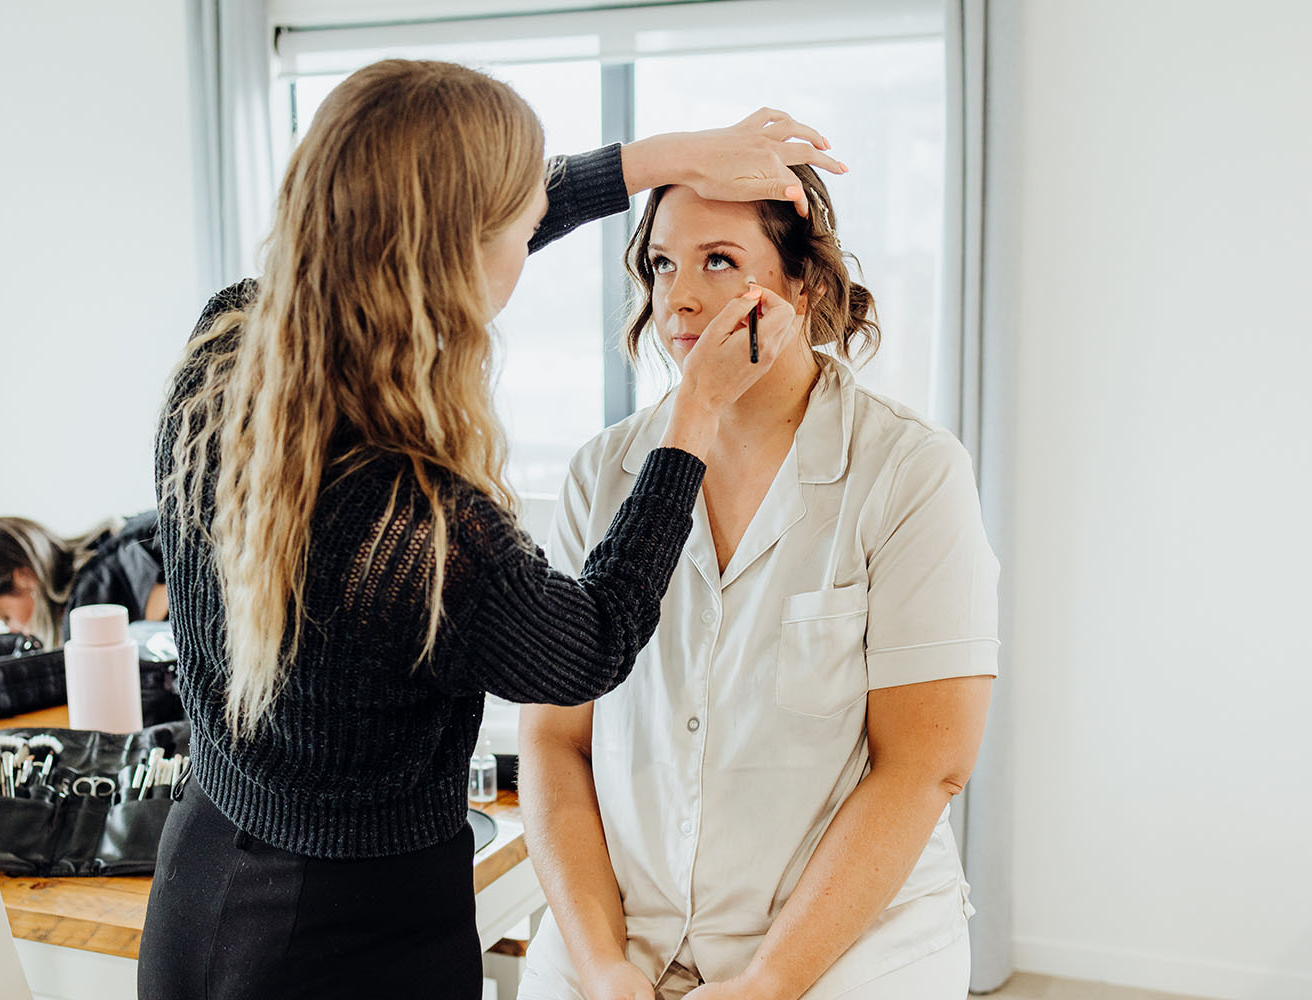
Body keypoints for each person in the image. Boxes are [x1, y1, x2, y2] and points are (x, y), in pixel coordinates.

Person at [138, 58, 843, 1000]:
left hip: (200, 878)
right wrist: (694, 424)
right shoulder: (418, 525)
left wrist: (670, 157)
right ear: (456, 251)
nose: (534, 227)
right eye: (518, 221)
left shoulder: (225, 347)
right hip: (346, 938)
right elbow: (582, 649)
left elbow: (447, 218)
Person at [516, 166, 999, 1000]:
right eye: (663, 265)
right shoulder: (602, 474)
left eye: (718, 262)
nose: (681, 299)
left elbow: (927, 764)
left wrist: (769, 982)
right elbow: (557, 740)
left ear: (803, 283)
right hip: (623, 938)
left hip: (848, 948)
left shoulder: (910, 472)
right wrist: (599, 964)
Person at [0, 511, 167, 645]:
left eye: (6, 617)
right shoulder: (111, 551)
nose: (13, 629)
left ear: (24, 576)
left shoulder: (102, 591)